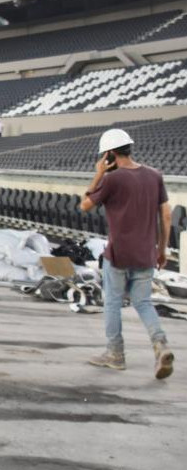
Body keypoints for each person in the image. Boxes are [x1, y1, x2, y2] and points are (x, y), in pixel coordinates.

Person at [80, 128, 174, 380]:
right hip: (146, 253)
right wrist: (161, 250)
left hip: (119, 254)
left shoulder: (112, 179)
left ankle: (115, 354)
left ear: (109, 154)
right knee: (143, 302)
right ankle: (161, 344)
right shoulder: (155, 175)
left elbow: (85, 205)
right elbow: (166, 216)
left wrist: (98, 174)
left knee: (112, 301)